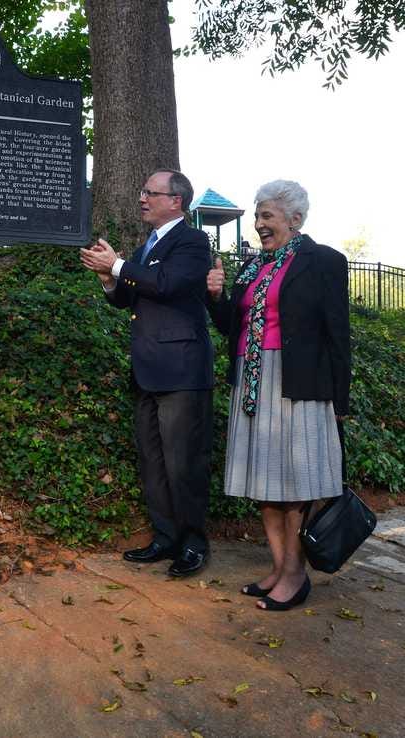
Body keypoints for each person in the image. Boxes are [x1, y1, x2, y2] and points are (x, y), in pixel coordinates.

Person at [206, 180, 349, 611]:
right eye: (257, 217)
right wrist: (215, 297)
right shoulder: (254, 268)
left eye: (267, 216)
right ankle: (278, 565)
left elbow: (337, 336)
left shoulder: (323, 261)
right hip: (254, 384)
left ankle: (295, 574)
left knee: (296, 486)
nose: (258, 225)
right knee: (266, 484)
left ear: (295, 219)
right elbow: (234, 328)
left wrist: (340, 403)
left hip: (299, 385)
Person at [80, 169, 214, 577]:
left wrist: (119, 263)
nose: (142, 198)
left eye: (150, 193)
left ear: (176, 201)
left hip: (181, 370)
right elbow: (127, 298)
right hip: (147, 370)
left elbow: (168, 284)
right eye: (142, 192)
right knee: (153, 460)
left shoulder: (192, 241)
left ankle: (193, 543)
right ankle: (165, 537)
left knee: (183, 461)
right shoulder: (145, 248)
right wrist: (108, 277)